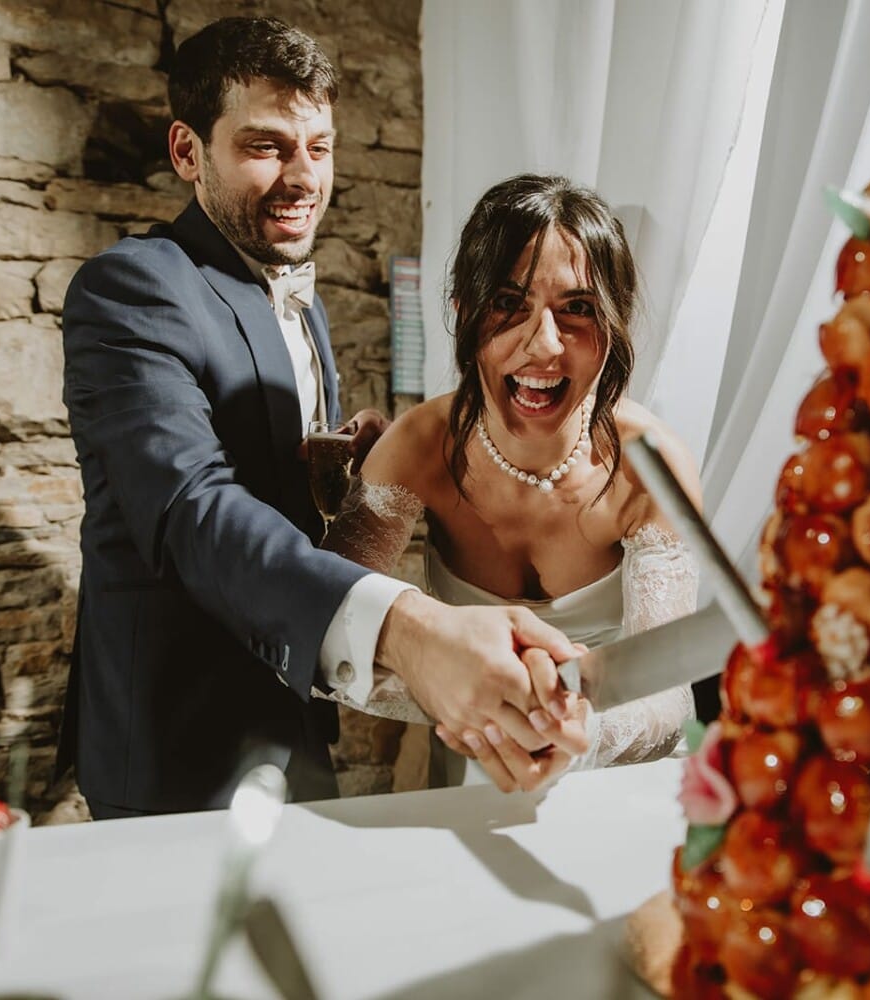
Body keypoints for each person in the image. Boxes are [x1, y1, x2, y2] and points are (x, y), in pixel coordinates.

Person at [57, 19, 584, 818]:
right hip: (177, 733)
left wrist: (339, 470)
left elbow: (262, 481)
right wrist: (408, 627)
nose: (303, 176)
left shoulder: (304, 307)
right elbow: (190, 509)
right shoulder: (133, 287)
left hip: (296, 707)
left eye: (320, 146)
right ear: (187, 152)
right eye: (266, 146)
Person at [323, 174, 701, 792]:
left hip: (611, 787)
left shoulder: (650, 467)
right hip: (456, 777)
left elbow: (668, 696)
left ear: (616, 323)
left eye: (578, 308)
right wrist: (466, 695)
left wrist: (578, 736)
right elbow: (329, 636)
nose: (544, 345)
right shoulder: (416, 449)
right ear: (464, 316)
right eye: (508, 303)